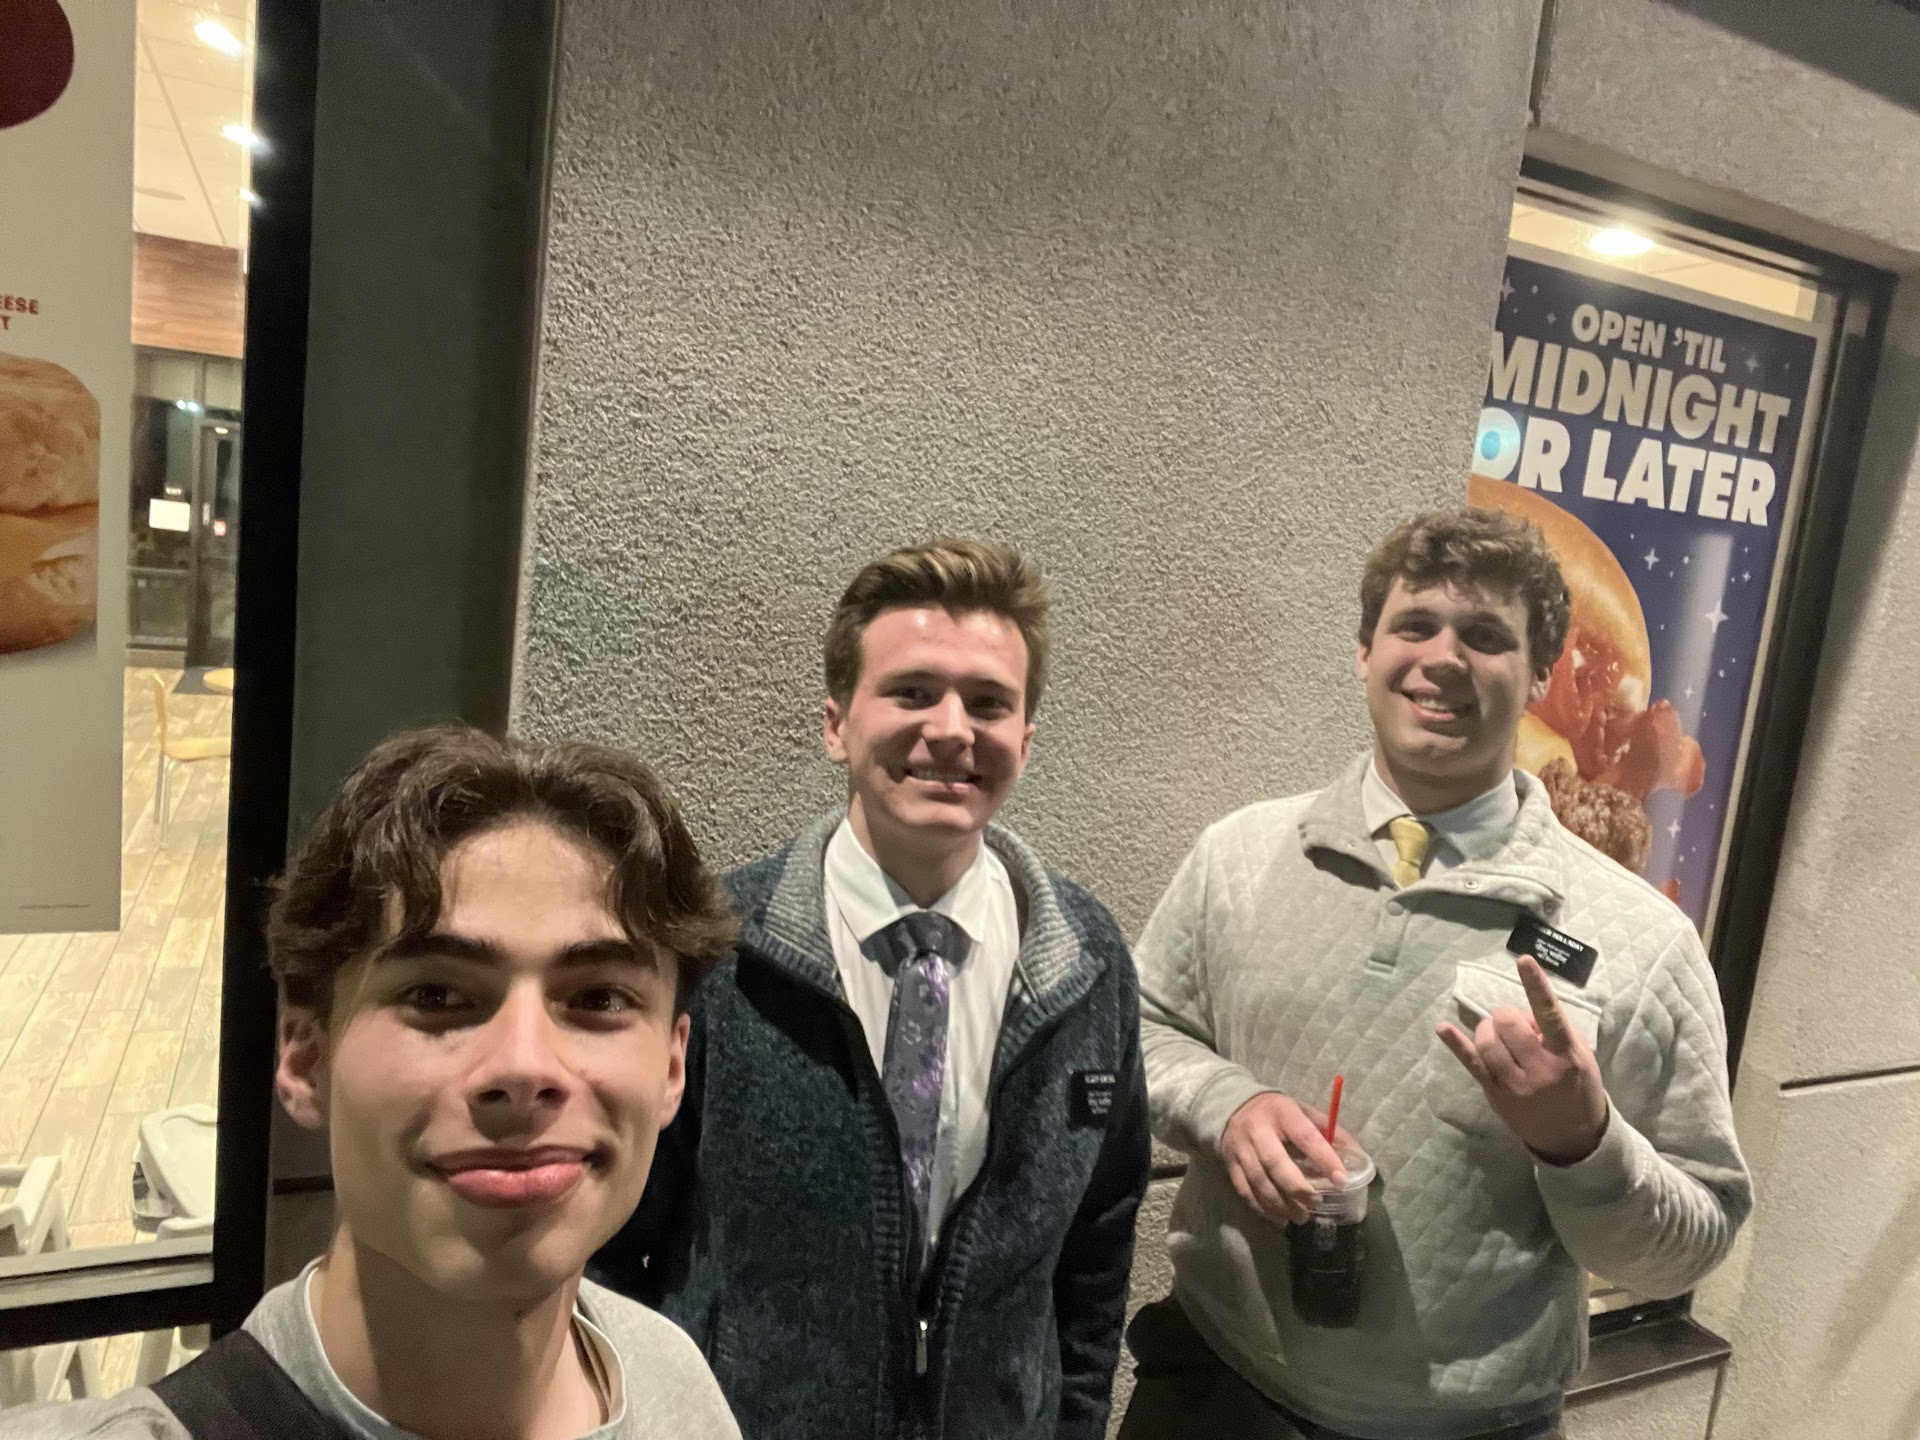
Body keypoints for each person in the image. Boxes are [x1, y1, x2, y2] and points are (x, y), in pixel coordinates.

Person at [1119, 509, 1753, 1440]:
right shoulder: (1238, 856)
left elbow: (1692, 1243)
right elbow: (1135, 1032)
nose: (1443, 659)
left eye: (1487, 636)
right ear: (1364, 652)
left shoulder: (1644, 940)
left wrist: (1583, 1143)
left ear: (1540, 676)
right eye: (1415, 626)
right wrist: (1229, 1103)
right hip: (1210, 1393)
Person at [1, 727, 743, 1439]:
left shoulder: (671, 1377)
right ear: (306, 1059)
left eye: (599, 999)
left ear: (672, 1066)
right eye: (437, 996)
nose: (525, 1067)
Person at [592, 538, 1151, 1440]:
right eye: (912, 692)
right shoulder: (717, 954)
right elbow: (612, 1236)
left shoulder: (1084, 964)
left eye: (989, 703)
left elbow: (1098, 1243)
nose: (952, 729)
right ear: (836, 724)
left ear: (1025, 739)